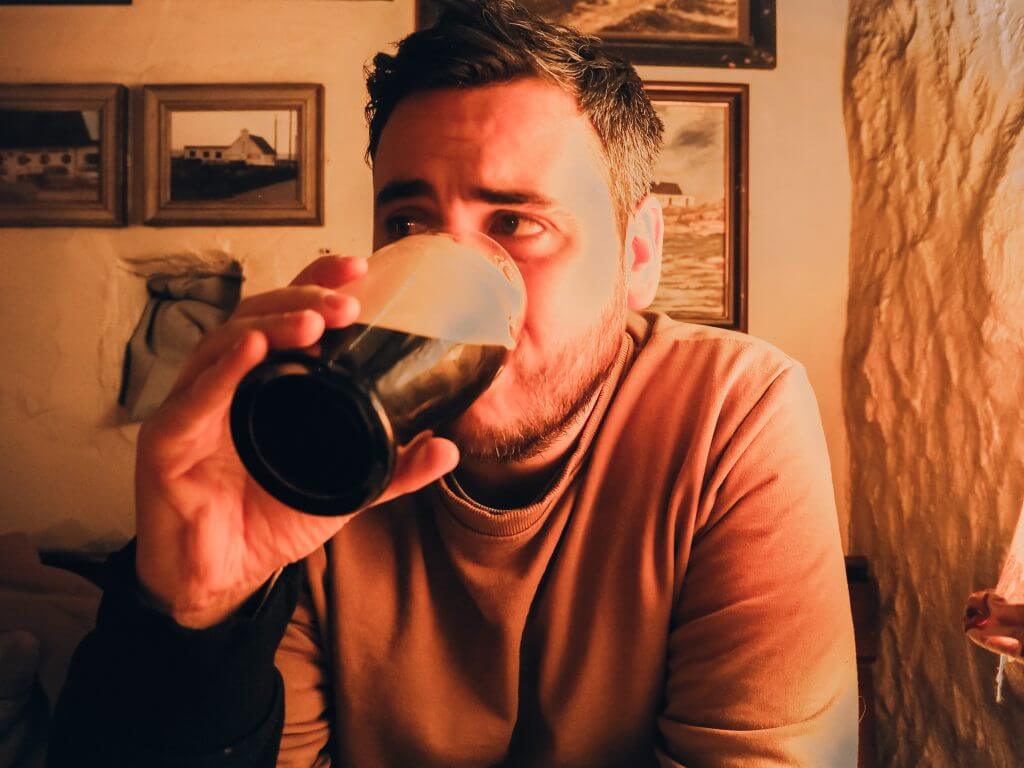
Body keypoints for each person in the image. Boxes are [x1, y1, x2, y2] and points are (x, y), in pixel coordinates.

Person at [49, 1, 859, 765]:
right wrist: (192, 612)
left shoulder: (729, 411)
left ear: (638, 253)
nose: (453, 286)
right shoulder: (320, 444)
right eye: (408, 226)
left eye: (516, 223)